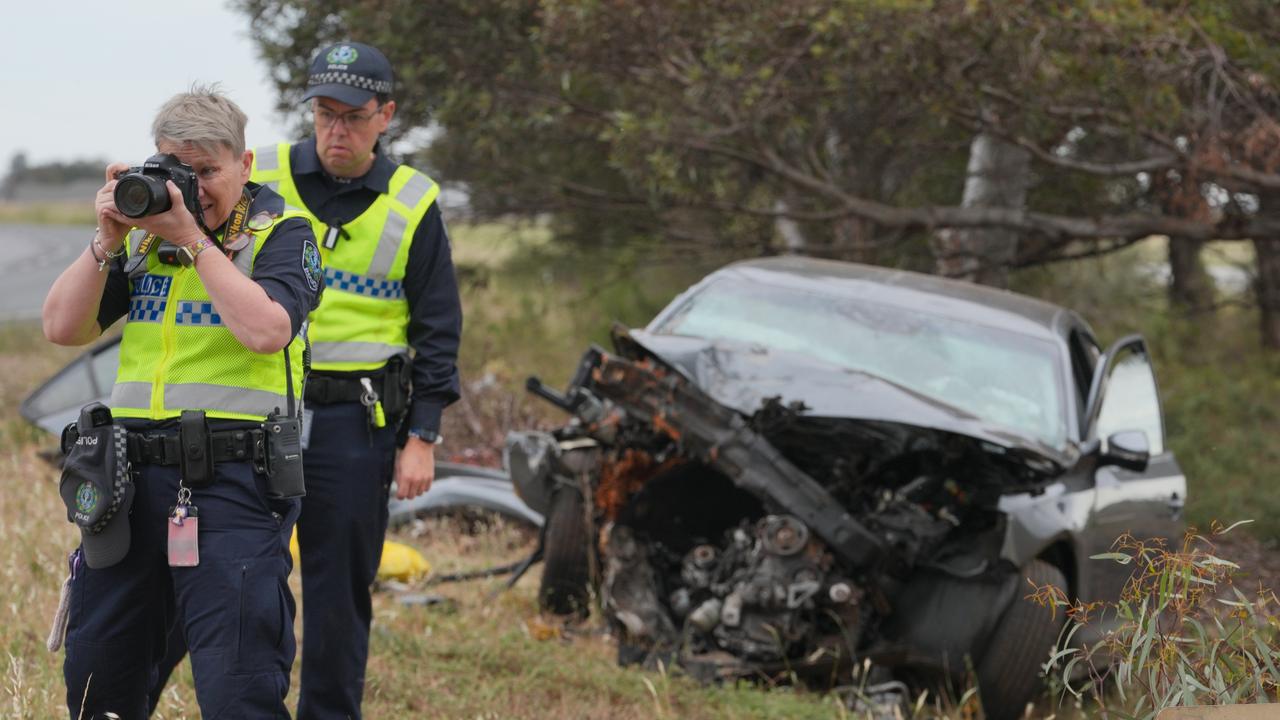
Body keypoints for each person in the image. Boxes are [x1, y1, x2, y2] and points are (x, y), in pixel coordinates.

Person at [151, 42, 463, 720]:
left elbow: (437, 327)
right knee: (229, 576)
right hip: (257, 415)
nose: (335, 130)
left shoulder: (414, 203)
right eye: (324, 113)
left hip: (356, 422)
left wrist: (424, 436)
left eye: (352, 117)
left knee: (337, 591)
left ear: (386, 117)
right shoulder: (265, 181)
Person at [42, 86, 322, 718]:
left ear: (244, 165)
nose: (193, 185)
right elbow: (61, 327)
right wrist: (106, 238)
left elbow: (267, 329)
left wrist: (194, 240)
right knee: (97, 681)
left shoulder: (281, 233)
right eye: (177, 167)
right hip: (130, 486)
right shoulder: (142, 243)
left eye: (207, 171)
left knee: (237, 686)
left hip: (234, 486)